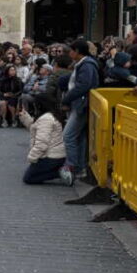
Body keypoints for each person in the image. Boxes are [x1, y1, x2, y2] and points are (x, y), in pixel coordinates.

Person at [60, 39, 100, 183]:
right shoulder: (83, 64)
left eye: (71, 50)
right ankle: (81, 168)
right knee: (80, 137)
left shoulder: (86, 65)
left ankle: (72, 165)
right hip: (81, 104)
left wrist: (66, 99)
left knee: (68, 135)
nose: (69, 53)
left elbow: (83, 85)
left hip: (81, 104)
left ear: (77, 51)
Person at [20, 99, 69, 185]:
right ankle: (59, 170)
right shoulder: (51, 115)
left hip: (51, 156)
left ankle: (60, 172)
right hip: (58, 154)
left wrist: (32, 158)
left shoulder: (45, 119)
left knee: (28, 178)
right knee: (32, 174)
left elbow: (42, 143)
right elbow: (36, 129)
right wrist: (25, 118)